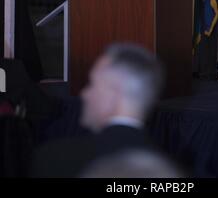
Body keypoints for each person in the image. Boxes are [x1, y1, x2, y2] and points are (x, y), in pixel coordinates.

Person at [30, 42, 165, 178]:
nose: (84, 94)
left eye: (92, 84)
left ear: (113, 95)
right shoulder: (172, 171)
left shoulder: (54, 160)